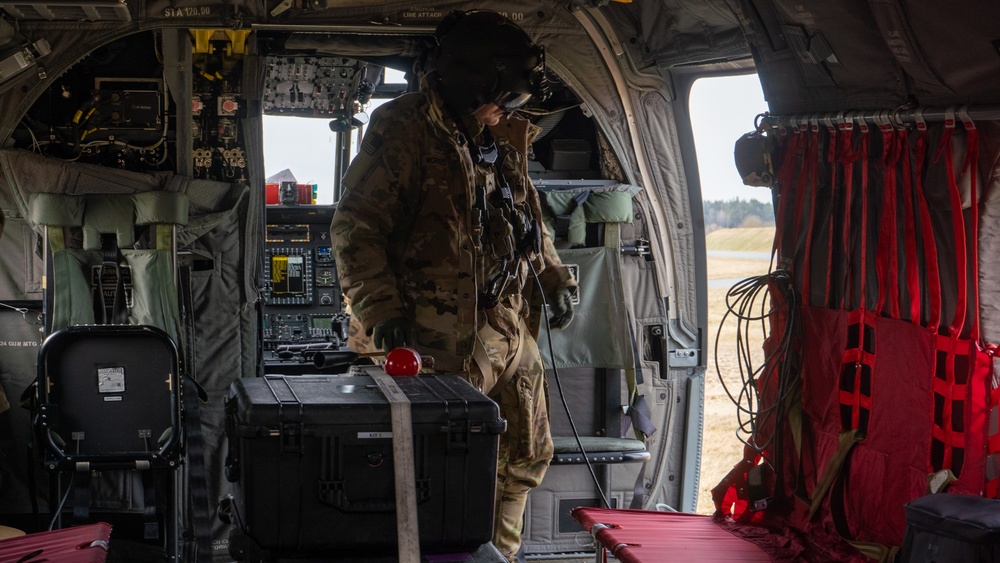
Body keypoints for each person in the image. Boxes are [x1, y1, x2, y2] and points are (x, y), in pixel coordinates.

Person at [330, 10, 577, 561]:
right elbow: (355, 227)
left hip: (505, 331)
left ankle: (497, 557)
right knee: (433, 478)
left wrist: (553, 274)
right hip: (428, 342)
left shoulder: (497, 136)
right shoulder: (405, 128)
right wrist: (380, 310)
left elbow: (522, 217)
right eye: (501, 100)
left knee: (523, 460)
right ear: (471, 85)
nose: (504, 113)